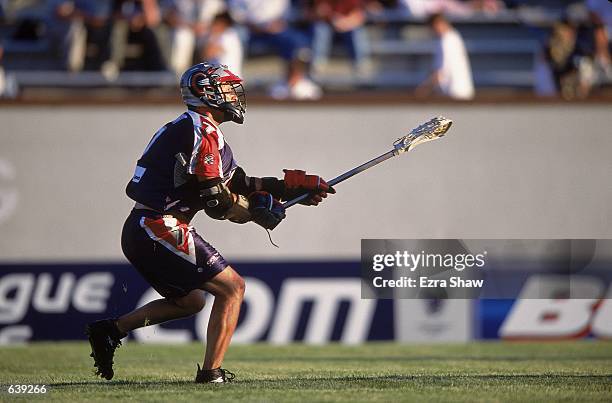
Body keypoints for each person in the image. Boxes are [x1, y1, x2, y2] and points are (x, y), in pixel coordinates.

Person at [85, 62, 335, 383]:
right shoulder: (200, 130)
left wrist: (294, 186)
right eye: (229, 88)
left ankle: (110, 331)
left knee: (190, 301)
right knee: (233, 288)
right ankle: (211, 374)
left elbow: (240, 182)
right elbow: (217, 201)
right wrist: (254, 212)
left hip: (144, 225)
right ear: (208, 92)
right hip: (160, 224)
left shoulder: (197, 129)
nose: (235, 95)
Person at [415, 12, 474, 100]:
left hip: (454, 93)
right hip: (459, 91)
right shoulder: (454, 37)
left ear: (438, 24)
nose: (432, 31)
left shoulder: (447, 41)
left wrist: (423, 90)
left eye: (432, 28)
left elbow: (440, 72)